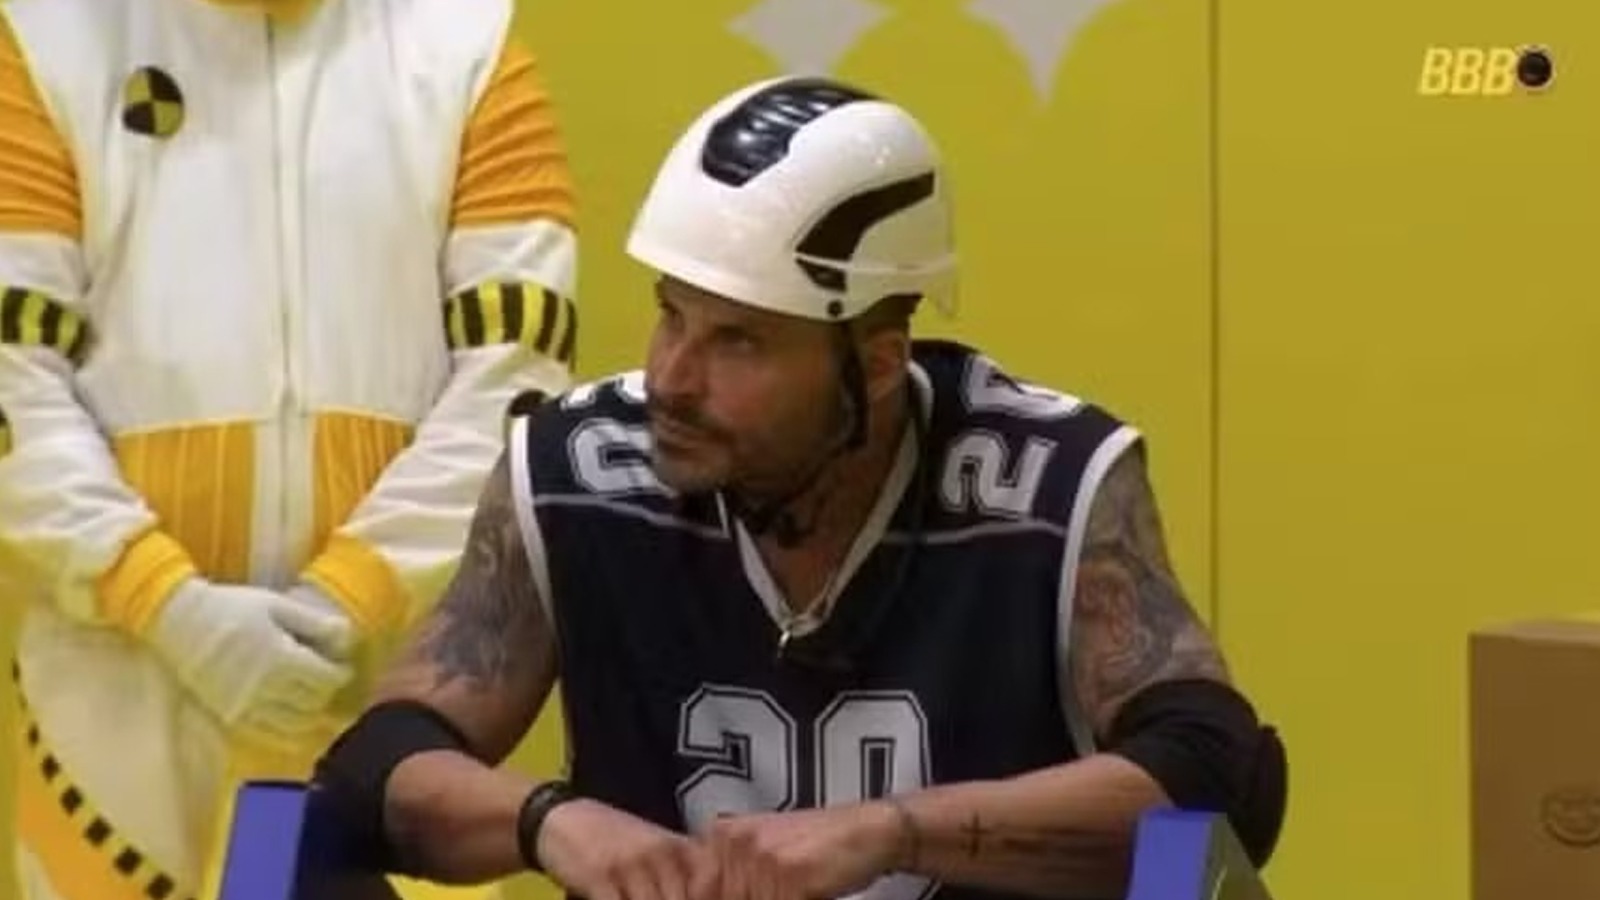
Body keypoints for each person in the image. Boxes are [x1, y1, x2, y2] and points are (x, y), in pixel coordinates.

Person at [313, 75, 1286, 900]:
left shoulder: (1050, 482)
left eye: (738, 340)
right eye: (670, 315)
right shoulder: (576, 475)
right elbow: (376, 766)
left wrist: (891, 829)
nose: (671, 377)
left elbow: (1211, 773)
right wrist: (551, 821)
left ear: (875, 363)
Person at [0, 0, 578, 898]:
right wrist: (165, 603)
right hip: (120, 695)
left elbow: (519, 379)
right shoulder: (42, 38)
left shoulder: (467, 43)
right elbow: (10, 377)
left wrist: (348, 598)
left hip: (384, 687)